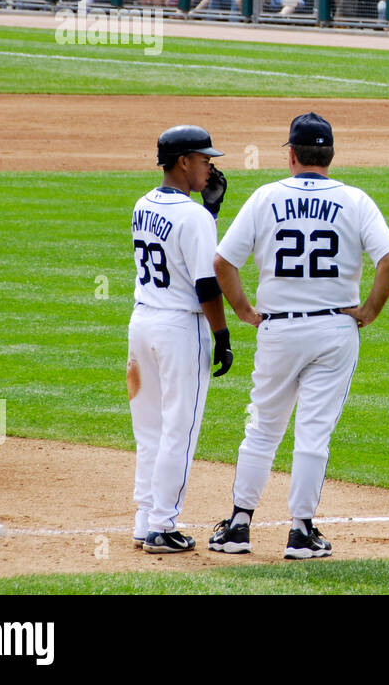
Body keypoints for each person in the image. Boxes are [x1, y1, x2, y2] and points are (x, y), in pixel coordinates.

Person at [208, 112, 389, 560]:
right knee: (314, 432)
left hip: (278, 327)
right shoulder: (355, 199)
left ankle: (238, 525)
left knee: (262, 428)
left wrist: (244, 311)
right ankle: (300, 531)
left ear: (291, 154)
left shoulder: (265, 196)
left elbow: (223, 262)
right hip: (336, 328)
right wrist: (370, 310)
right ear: (330, 156)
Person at [129, 126, 232, 554]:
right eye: (205, 159)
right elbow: (207, 284)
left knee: (150, 428)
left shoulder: (142, 203)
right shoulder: (192, 216)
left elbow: (178, 249)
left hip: (142, 323)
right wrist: (222, 334)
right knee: (180, 429)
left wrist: (209, 214)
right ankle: (163, 526)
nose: (211, 166)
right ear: (184, 161)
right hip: (179, 327)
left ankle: (144, 520)